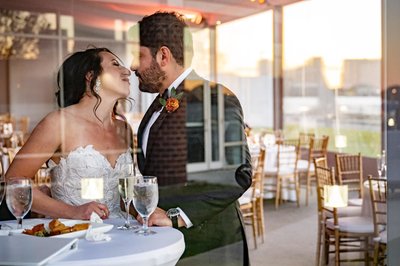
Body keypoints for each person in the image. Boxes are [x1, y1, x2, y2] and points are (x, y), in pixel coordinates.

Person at [131, 12, 252, 265]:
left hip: (208, 247)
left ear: (163, 56)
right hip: (162, 243)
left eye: (138, 56)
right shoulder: (155, 107)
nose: (132, 66)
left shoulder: (214, 97)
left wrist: (176, 217)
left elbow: (237, 174)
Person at [5, 47, 133, 220]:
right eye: (115, 64)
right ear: (90, 76)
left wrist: (146, 209)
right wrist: (73, 212)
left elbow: (124, 195)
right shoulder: (59, 123)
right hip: (74, 235)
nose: (127, 71)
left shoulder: (123, 128)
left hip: (124, 232)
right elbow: (13, 183)